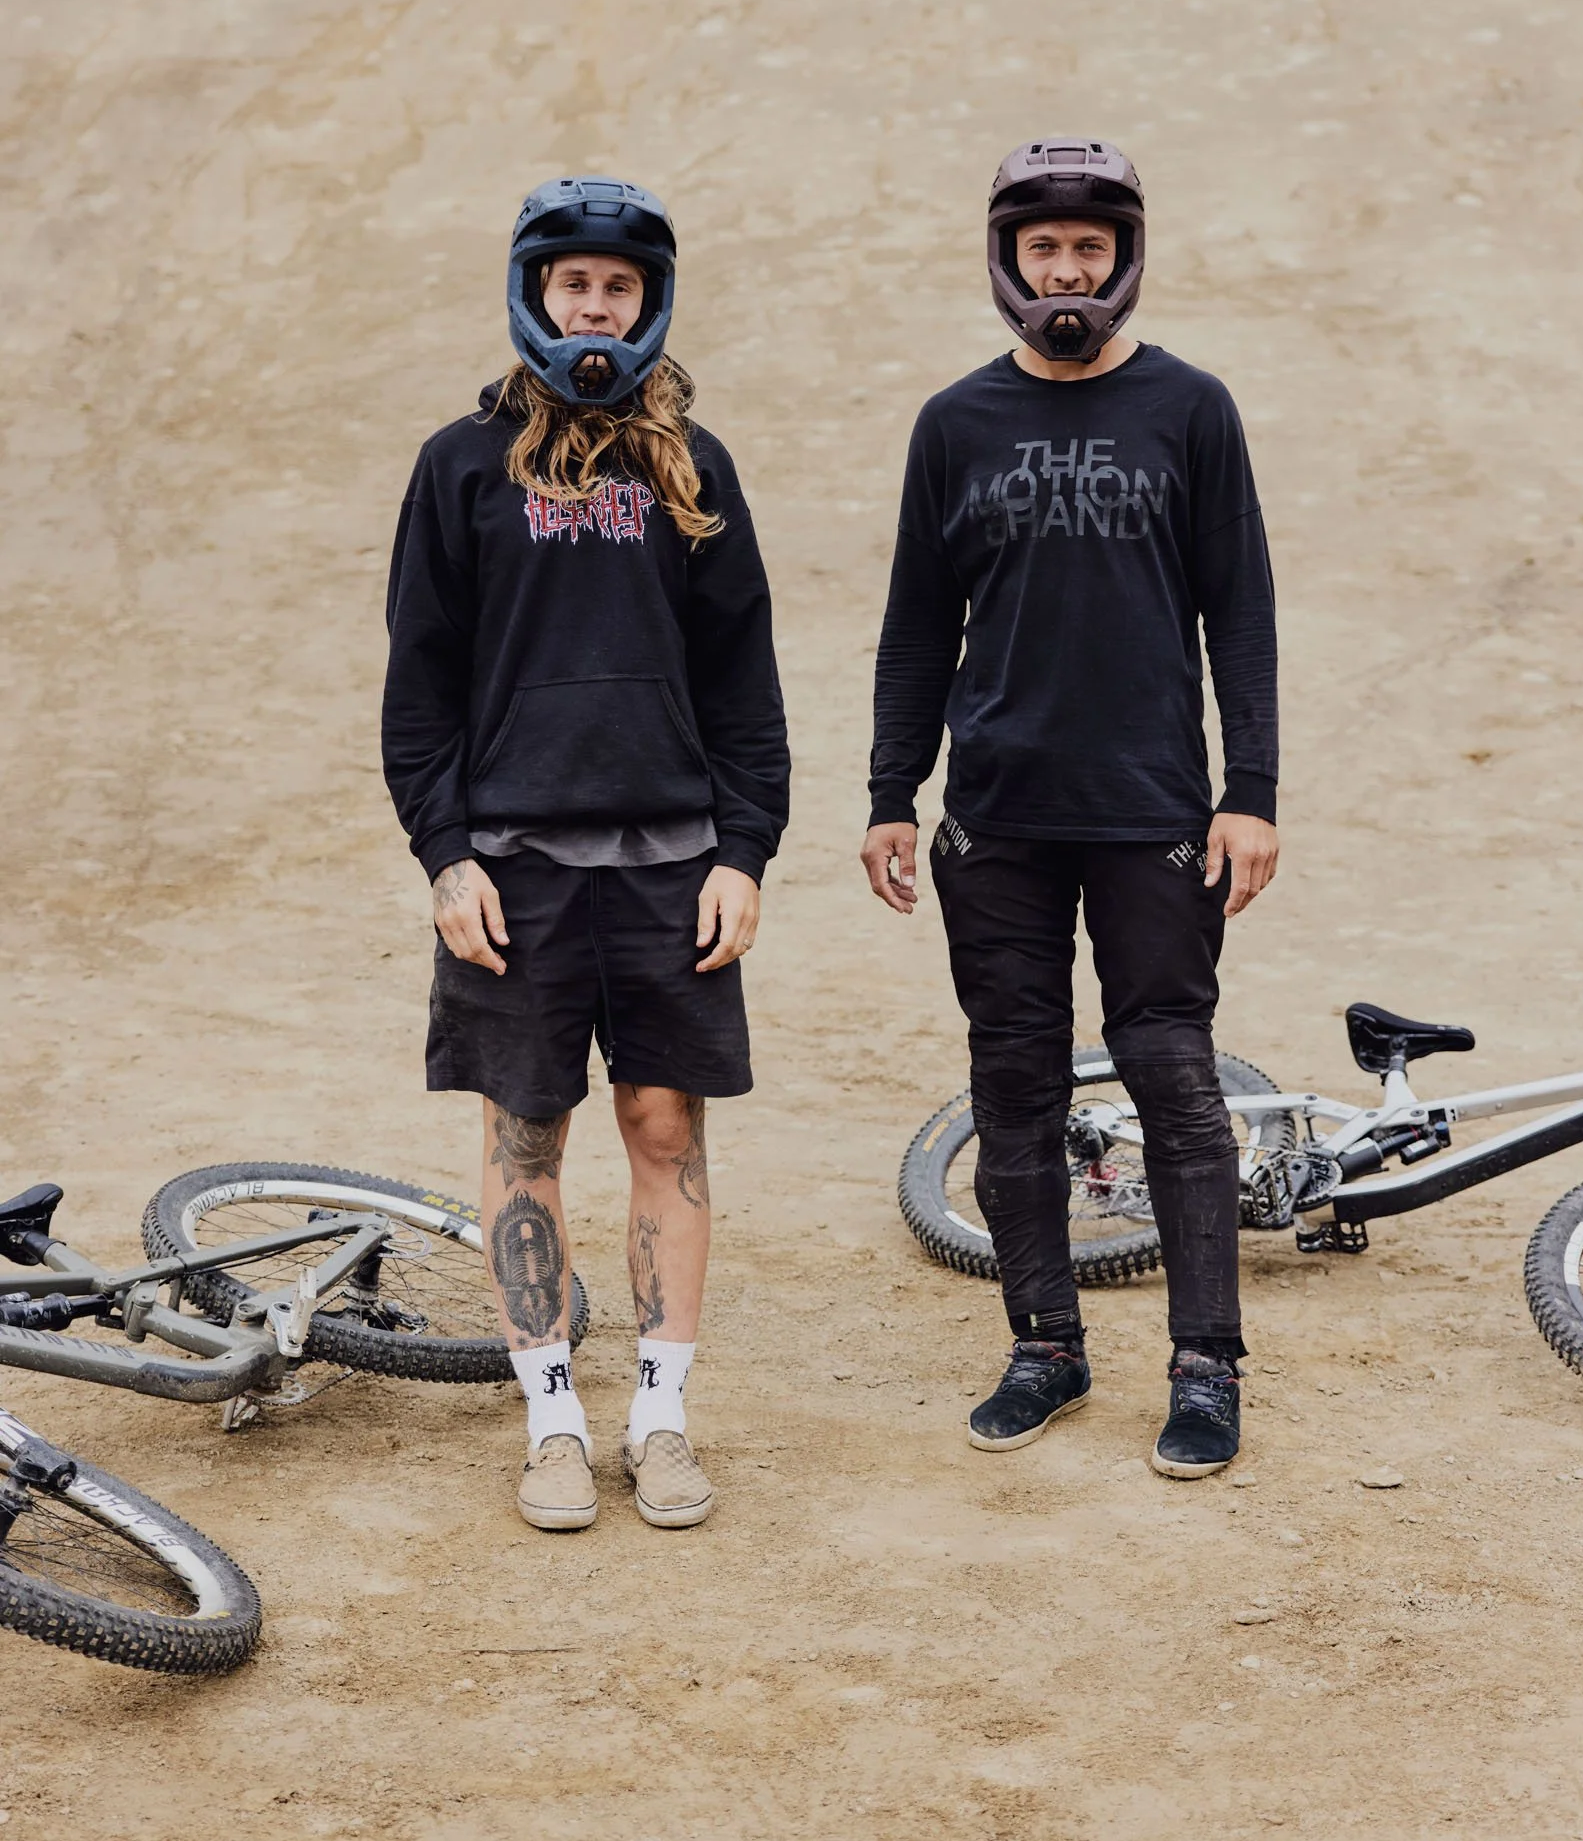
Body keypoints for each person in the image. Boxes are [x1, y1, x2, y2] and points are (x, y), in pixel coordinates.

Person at [861, 140, 1278, 1478]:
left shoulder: (1191, 411)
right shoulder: (956, 424)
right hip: (1000, 819)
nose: (1067, 269)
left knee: (1171, 1077)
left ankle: (1205, 1368)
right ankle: (1044, 1346)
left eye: (1088, 249)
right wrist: (889, 792)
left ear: (1124, 259)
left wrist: (1251, 793)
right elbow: (917, 627)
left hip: (1154, 806)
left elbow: (1243, 611)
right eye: (1045, 249)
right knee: (1017, 1084)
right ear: (1008, 261)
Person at [383, 176, 789, 1531]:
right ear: (535, 294)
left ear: (649, 301)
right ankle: (552, 1419)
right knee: (526, 1136)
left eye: (618, 287)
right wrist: (449, 856)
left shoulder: (694, 466)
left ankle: (660, 1419)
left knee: (665, 1131)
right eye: (576, 285)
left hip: (673, 865)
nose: (596, 307)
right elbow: (420, 685)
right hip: (517, 869)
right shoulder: (460, 466)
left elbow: (745, 684)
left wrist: (744, 854)